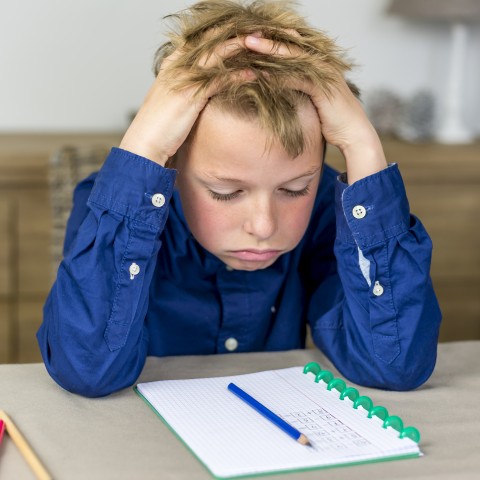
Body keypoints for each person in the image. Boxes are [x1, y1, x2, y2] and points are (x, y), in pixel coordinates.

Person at [37, 0, 442, 398]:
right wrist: (145, 144)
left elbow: (396, 365)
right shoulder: (108, 208)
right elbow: (87, 369)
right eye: (226, 192)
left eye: (294, 188)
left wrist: (363, 143)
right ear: (172, 167)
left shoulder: (328, 218)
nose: (264, 226)